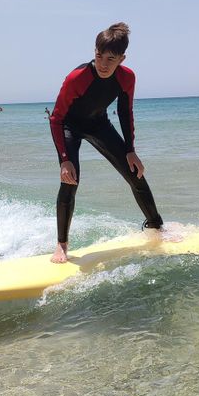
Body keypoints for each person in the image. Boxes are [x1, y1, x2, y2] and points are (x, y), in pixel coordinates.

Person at [49, 21, 164, 263]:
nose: (103, 64)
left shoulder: (127, 78)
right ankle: (61, 244)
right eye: (99, 56)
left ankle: (156, 227)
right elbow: (57, 118)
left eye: (110, 59)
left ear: (122, 58)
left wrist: (130, 150)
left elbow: (125, 112)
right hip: (69, 126)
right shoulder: (77, 78)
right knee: (70, 180)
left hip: (99, 124)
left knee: (136, 174)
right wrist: (64, 159)